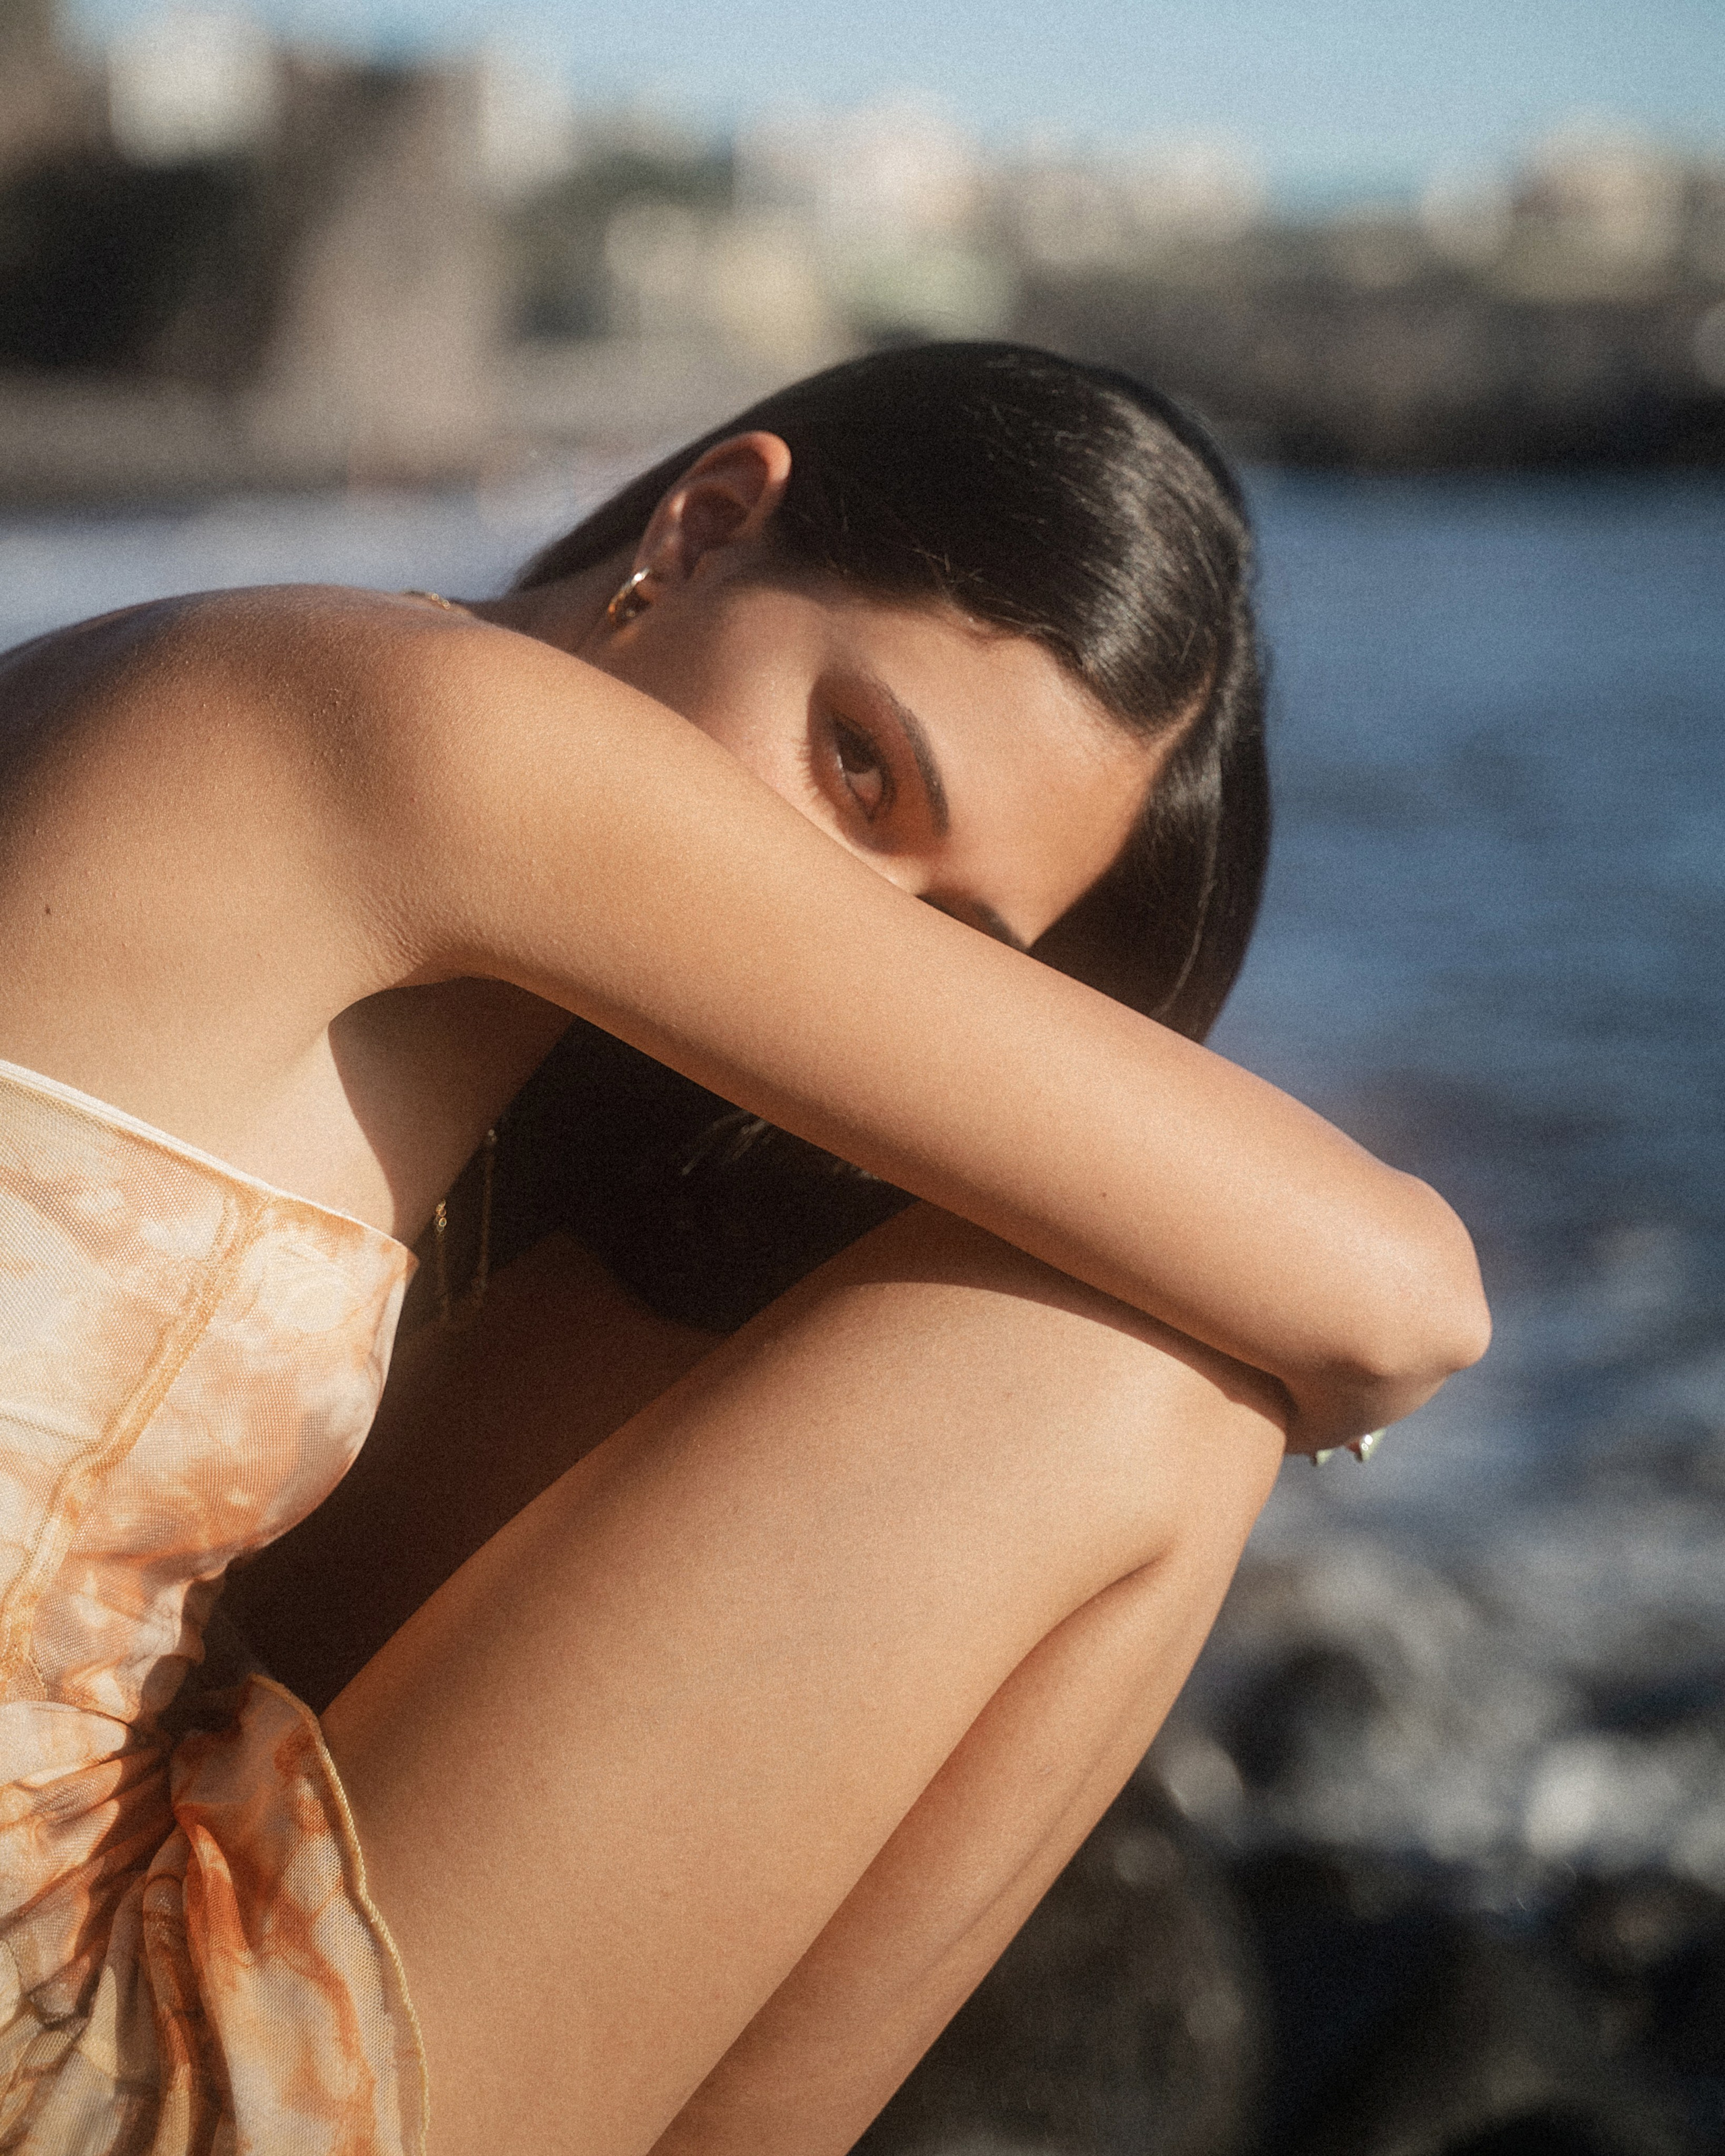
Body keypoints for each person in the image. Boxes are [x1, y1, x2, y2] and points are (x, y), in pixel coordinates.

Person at [0, 342, 1489, 2156]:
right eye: (861, 767)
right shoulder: (417, 722)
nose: (846, 936)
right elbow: (1408, 1292)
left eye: (957, 944)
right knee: (1142, 1381)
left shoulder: (209, 695)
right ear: (703, 527)